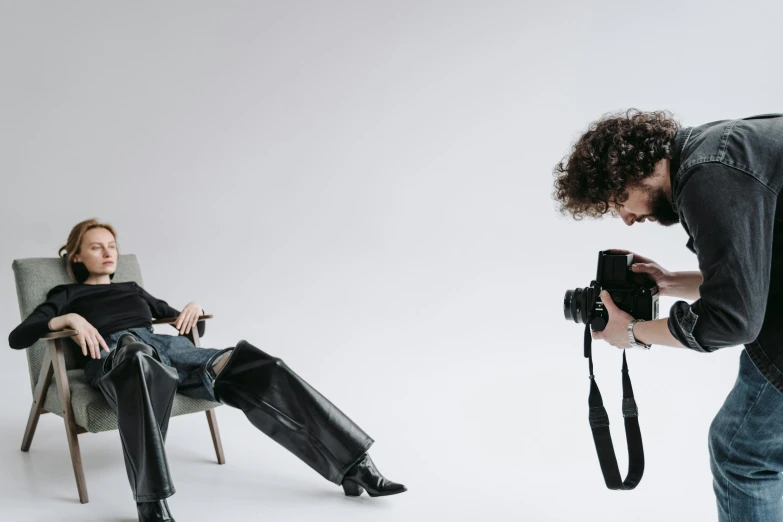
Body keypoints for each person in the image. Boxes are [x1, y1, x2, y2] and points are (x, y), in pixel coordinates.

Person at [9, 218, 406, 522]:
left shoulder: (132, 290)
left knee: (262, 367)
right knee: (138, 356)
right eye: (96, 247)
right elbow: (20, 335)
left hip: (172, 352)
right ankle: (152, 501)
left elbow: (186, 325)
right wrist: (70, 320)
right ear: (76, 256)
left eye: (112, 245)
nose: (108, 252)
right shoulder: (65, 294)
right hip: (121, 357)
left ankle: (354, 466)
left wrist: (193, 309)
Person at [552, 110, 783, 521]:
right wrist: (669, 281)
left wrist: (635, 332)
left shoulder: (709, 177)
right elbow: (751, 279)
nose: (626, 219)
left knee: (742, 453)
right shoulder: (718, 148)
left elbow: (732, 320)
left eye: (617, 202)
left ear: (631, 170)